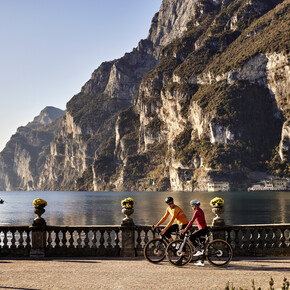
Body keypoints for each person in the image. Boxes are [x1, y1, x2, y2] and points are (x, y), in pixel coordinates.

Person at [180, 199, 208, 267]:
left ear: (194, 206)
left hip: (202, 229)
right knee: (202, 246)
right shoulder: (200, 210)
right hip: (203, 229)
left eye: (192, 206)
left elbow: (191, 221)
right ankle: (201, 262)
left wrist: (185, 229)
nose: (192, 207)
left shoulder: (197, 211)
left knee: (191, 237)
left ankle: (198, 250)